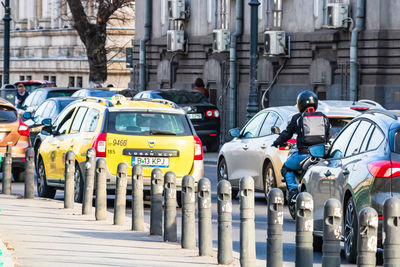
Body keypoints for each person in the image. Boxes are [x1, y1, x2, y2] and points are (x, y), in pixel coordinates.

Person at [272, 90, 331, 202]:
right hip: (321, 155)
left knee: (286, 168)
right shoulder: (323, 117)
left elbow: (286, 134)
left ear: (300, 104)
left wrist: (276, 142)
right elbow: (328, 136)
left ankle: (293, 191)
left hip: (303, 155)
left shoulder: (297, 118)